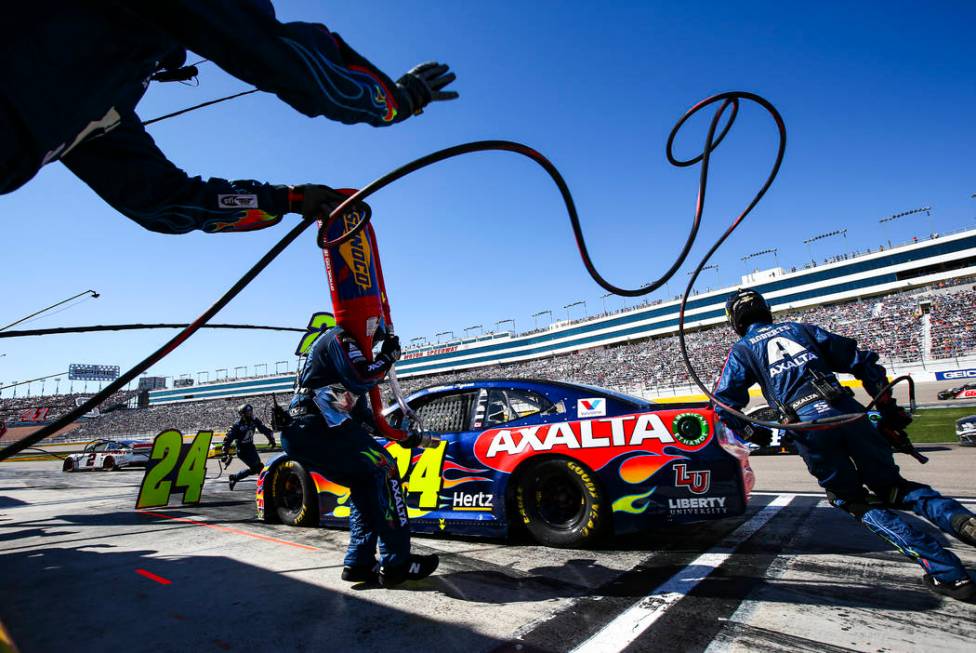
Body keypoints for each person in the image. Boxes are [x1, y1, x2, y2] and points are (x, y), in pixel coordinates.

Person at [1, 2, 457, 232]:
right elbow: (280, 58)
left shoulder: (101, 104)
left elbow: (164, 201)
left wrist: (287, 201)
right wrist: (396, 100)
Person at [713, 288, 976, 601]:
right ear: (765, 310)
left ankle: (949, 573)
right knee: (895, 487)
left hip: (809, 427)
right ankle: (963, 522)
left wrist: (755, 434)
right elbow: (865, 363)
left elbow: (722, 405)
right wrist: (888, 412)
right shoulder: (801, 330)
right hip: (849, 413)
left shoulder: (743, 349)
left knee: (851, 500)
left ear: (735, 322)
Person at [281, 326, 437, 587]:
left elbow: (368, 420)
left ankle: (359, 562)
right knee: (385, 467)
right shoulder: (339, 336)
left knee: (365, 482)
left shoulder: (351, 355)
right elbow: (361, 377)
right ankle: (397, 562)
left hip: (315, 432)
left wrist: (405, 436)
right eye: (378, 333)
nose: (377, 340)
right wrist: (387, 358)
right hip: (316, 429)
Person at [223, 403, 276, 491]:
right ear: (242, 414)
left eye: (251, 412)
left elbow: (264, 429)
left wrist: (271, 439)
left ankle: (235, 477)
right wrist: (225, 452)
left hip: (251, 448)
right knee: (259, 468)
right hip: (242, 450)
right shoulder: (237, 425)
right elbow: (228, 439)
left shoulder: (254, 421)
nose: (250, 414)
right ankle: (267, 486)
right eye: (248, 412)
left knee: (255, 468)